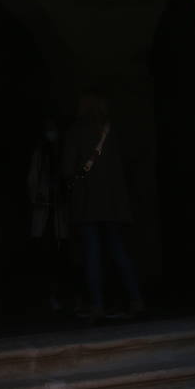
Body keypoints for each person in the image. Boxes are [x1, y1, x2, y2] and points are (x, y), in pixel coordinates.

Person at [63, 94, 145, 320]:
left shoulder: (76, 132)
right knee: (118, 250)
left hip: (87, 202)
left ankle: (97, 305)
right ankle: (135, 299)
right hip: (113, 204)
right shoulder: (111, 132)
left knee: (91, 254)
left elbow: (67, 168)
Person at [25, 116, 70, 312]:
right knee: (46, 258)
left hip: (57, 214)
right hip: (45, 213)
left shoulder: (63, 153)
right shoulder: (40, 154)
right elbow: (32, 180)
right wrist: (38, 197)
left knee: (60, 257)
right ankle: (47, 297)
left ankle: (59, 297)